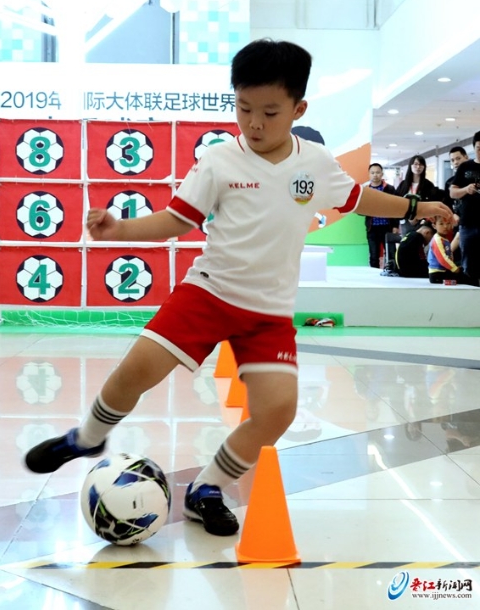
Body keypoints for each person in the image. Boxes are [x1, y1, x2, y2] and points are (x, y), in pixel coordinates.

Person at [23, 39, 453, 537]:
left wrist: (419, 207)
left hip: (268, 313)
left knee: (277, 412)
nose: (254, 123)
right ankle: (87, 437)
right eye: (244, 108)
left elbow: (358, 199)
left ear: (298, 109)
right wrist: (120, 229)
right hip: (207, 293)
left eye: (270, 112)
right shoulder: (219, 160)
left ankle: (207, 489)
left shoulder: (314, 162)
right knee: (133, 373)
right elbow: (177, 220)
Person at [449, 131, 480, 285]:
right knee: (468, 263)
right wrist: (466, 189)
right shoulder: (465, 167)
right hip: (468, 222)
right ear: (474, 148)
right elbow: (452, 192)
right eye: (479, 148)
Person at [395, 155, 441, 236]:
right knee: (407, 241)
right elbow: (397, 201)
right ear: (410, 166)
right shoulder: (403, 184)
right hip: (406, 221)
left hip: (422, 221)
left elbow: (431, 203)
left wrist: (419, 217)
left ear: (424, 167)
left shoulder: (428, 185)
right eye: (415, 164)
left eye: (421, 164)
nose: (418, 167)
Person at [363, 163, 398, 268]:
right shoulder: (365, 190)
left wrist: (395, 225)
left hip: (387, 227)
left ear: (382, 174)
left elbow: (396, 208)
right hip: (372, 228)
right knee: (374, 256)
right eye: (372, 173)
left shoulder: (390, 189)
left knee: (391, 254)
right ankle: (374, 276)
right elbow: (361, 209)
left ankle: (392, 272)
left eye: (378, 172)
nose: (375, 175)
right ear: (369, 174)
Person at [427, 215, 472, 285]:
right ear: (434, 226)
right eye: (441, 224)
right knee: (466, 277)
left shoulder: (444, 239)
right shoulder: (437, 240)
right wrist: (455, 269)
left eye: (448, 223)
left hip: (444, 271)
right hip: (437, 273)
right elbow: (442, 259)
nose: (445, 226)